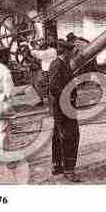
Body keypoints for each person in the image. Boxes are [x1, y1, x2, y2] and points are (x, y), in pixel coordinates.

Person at [48, 39, 81, 182]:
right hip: (64, 108)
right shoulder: (58, 65)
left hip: (61, 108)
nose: (73, 54)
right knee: (71, 136)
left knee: (58, 135)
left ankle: (57, 165)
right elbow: (54, 87)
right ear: (66, 52)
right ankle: (69, 170)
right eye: (71, 52)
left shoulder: (62, 64)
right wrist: (68, 99)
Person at [26, 39, 57, 107]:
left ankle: (47, 101)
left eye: (42, 47)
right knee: (50, 86)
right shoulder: (53, 50)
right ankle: (49, 100)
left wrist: (29, 45)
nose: (41, 48)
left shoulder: (44, 53)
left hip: (47, 72)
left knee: (41, 85)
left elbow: (34, 53)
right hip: (53, 70)